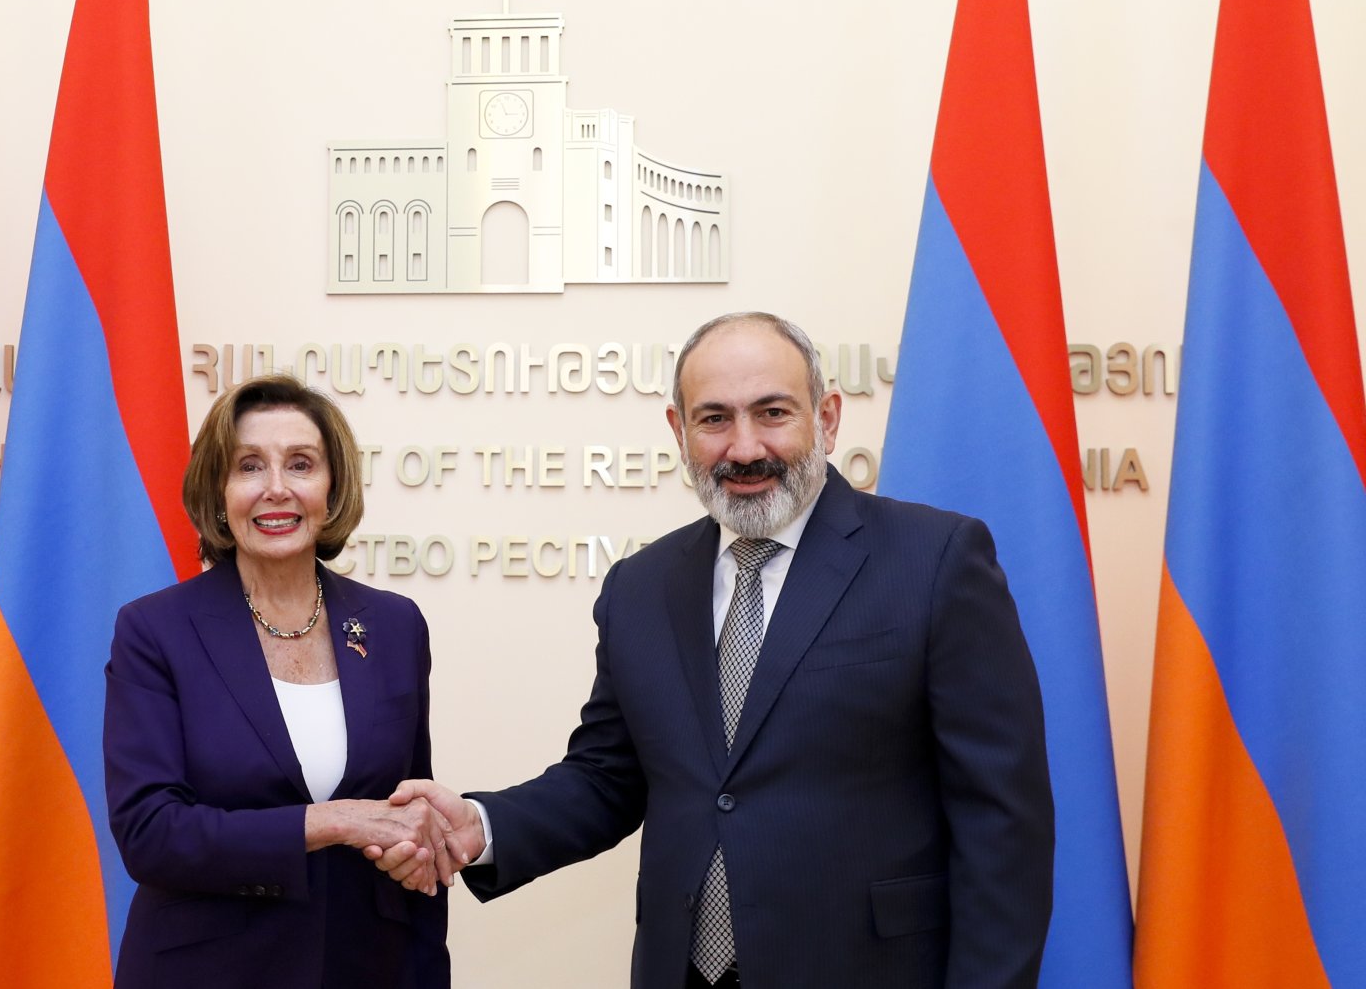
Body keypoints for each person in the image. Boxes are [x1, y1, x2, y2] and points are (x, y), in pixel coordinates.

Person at [374, 312, 1055, 988]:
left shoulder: (934, 561)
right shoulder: (640, 589)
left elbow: (1003, 822)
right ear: (679, 430)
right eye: (715, 419)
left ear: (828, 418)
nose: (745, 446)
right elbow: (607, 778)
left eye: (773, 412)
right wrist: (482, 825)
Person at [104, 373, 455, 988]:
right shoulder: (155, 630)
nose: (276, 490)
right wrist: (334, 822)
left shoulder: (396, 626)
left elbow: (410, 820)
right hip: (205, 971)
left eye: (300, 464)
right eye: (248, 467)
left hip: (369, 966)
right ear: (218, 490)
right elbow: (150, 833)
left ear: (331, 486)